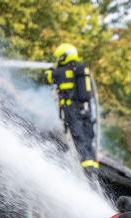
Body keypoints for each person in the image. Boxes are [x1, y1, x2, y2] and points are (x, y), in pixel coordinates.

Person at [44, 43, 98, 174]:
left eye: (60, 58)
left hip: (72, 109)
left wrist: (52, 69)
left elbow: (47, 78)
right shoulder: (81, 70)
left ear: (65, 57)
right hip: (86, 110)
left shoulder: (60, 72)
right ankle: (91, 165)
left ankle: (85, 167)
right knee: (88, 137)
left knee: (78, 137)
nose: (58, 60)